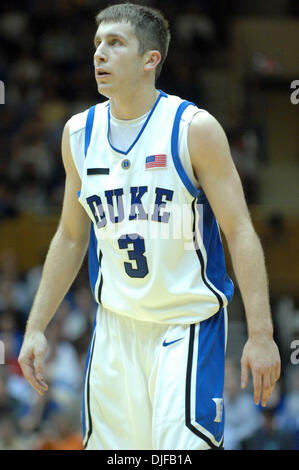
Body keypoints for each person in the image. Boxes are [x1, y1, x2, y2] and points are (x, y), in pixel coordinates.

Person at [18, 2, 281, 450]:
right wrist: (36, 326)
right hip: (115, 330)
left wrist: (261, 334)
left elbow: (239, 231)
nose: (99, 53)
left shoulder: (193, 129)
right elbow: (70, 235)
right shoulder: (78, 135)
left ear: (150, 60)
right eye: (97, 43)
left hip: (186, 327)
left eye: (115, 43)